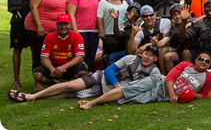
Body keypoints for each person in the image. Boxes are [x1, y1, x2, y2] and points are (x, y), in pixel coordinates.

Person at [8, 46, 160, 102]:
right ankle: (31, 96)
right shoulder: (130, 58)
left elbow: (151, 89)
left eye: (151, 56)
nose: (147, 57)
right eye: (145, 54)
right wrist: (117, 85)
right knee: (70, 85)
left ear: (156, 59)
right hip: (100, 78)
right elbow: (108, 70)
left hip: (105, 92)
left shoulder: (154, 72)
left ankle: (33, 98)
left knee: (69, 95)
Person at [77, 52, 211, 109]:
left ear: (210, 65)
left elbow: (202, 95)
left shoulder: (209, 78)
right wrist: (173, 95)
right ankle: (91, 103)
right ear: (196, 60)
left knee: (131, 99)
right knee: (128, 90)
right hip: (158, 82)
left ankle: (95, 101)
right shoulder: (185, 65)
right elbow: (170, 78)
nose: (204, 62)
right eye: (201, 59)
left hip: (160, 96)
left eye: (207, 61)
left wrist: (190, 94)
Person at [0, 0, 40, 88]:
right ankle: (16, 80)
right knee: (17, 48)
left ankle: (37, 79)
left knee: (35, 49)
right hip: (18, 17)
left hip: (33, 17)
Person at [25, 0, 67, 90]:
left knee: (48, 55)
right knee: (39, 54)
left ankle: (46, 79)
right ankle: (37, 83)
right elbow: (33, 7)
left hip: (52, 31)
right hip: (38, 27)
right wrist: (39, 26)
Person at [33, 14, 88, 88]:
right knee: (37, 75)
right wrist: (52, 69)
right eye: (60, 24)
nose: (63, 27)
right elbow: (44, 58)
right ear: (56, 25)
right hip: (54, 66)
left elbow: (80, 57)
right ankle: (55, 86)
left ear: (71, 25)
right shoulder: (49, 37)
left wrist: (63, 67)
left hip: (70, 65)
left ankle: (73, 85)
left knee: (82, 72)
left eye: (66, 24)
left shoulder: (77, 36)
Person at [67, 0, 101, 71]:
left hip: (94, 30)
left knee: (92, 54)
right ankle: (79, 74)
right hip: (81, 30)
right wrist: (75, 32)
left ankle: (89, 75)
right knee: (81, 55)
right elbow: (71, 15)